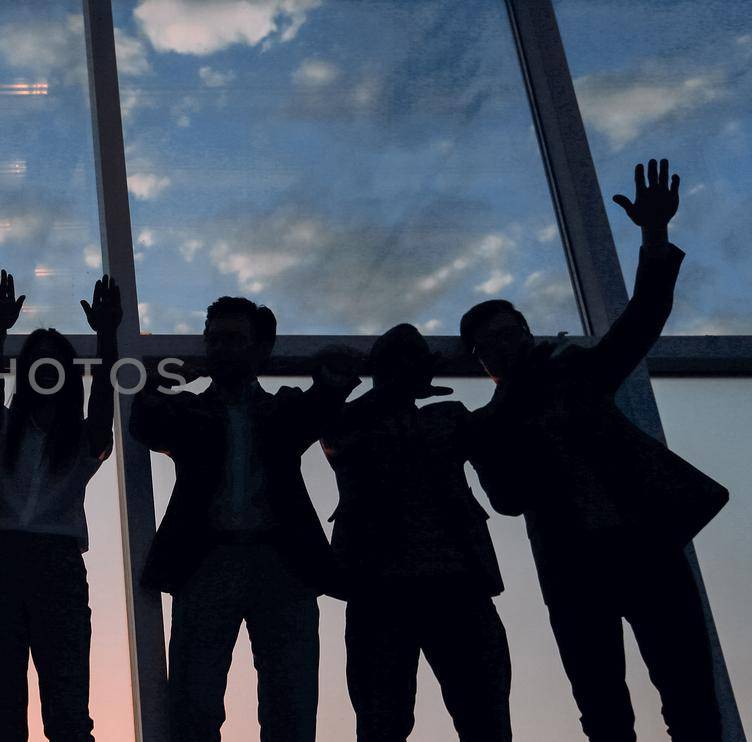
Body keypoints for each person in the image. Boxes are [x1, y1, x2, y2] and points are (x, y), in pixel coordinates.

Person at [464, 159, 728, 742]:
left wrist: (653, 235)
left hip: (645, 552)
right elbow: (507, 499)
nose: (506, 347)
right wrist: (519, 401)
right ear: (481, 363)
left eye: (512, 334)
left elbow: (641, 322)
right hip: (574, 572)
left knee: (691, 698)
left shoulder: (576, 375)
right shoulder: (488, 426)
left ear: (528, 334)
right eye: (491, 346)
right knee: (604, 712)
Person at [130, 297, 359, 742]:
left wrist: (333, 382)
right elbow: (146, 423)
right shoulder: (191, 412)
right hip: (209, 561)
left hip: (280, 564)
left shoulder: (282, 410)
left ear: (260, 349)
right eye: (214, 340)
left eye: (234, 339)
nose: (222, 349)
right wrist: (155, 382)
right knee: (194, 705)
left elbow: (320, 404)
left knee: (290, 704)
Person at [320, 324, 510, 742]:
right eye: (395, 365)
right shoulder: (351, 422)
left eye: (412, 363)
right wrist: (402, 387)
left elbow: (499, 443)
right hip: (379, 590)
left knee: (484, 718)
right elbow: (335, 435)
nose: (404, 373)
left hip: (458, 586)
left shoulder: (449, 418)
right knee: (381, 722)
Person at [0, 273, 121, 742]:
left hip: (54, 566)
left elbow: (106, 393)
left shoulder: (82, 438)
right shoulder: (3, 428)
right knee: (1, 714)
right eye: (36, 365)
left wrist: (108, 336)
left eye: (54, 366)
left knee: (68, 713)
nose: (45, 373)